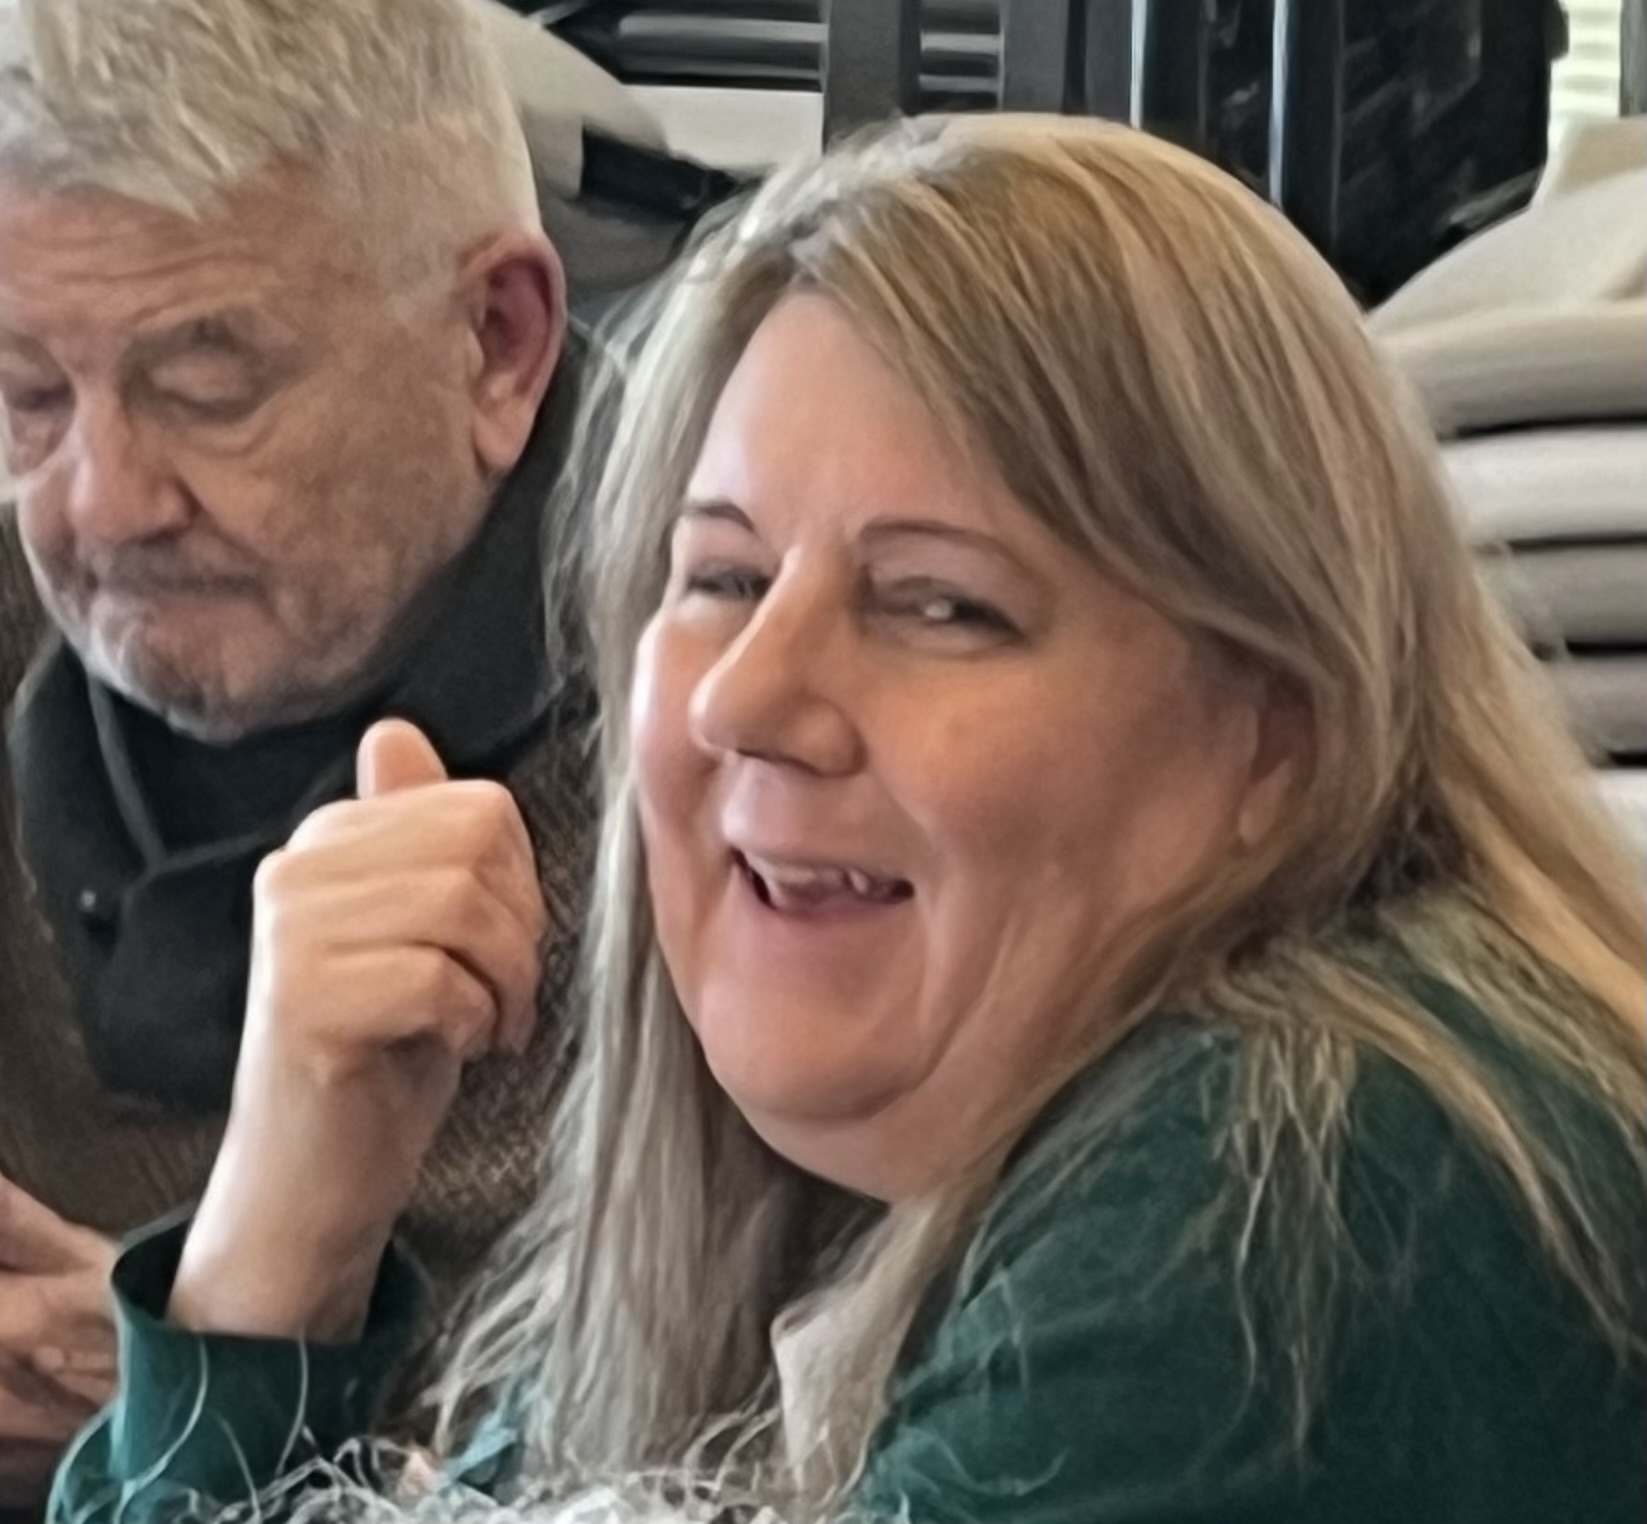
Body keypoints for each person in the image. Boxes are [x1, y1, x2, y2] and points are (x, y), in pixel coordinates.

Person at [52, 118, 1647, 1524]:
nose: (750, 697)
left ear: (1271, 743)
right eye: (723, 577)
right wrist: (288, 1227)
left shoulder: (1314, 1182)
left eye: (940, 605)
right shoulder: (849, 1183)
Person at [0, 0, 596, 1504]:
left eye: (207, 388)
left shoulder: (750, 740)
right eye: (27, 394)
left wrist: (213, 1380)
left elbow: (788, 1417)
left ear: (497, 344)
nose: (99, 503)